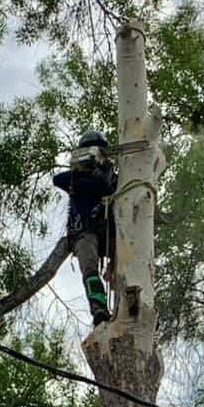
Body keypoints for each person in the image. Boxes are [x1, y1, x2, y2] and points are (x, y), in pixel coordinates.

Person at [53, 130, 117, 326]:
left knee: (129, 259)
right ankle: (98, 308)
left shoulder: (111, 177)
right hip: (84, 232)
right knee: (89, 267)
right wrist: (83, 171)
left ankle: (135, 302)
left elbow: (109, 189)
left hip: (108, 232)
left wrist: (98, 174)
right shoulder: (73, 178)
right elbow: (58, 180)